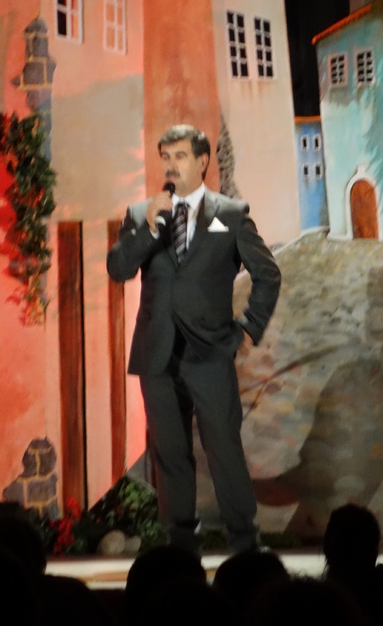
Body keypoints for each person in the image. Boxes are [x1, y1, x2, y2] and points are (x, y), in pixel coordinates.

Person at [107, 123, 281, 555]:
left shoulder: (230, 214)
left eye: (180, 156)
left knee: (223, 447)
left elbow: (267, 274)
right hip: (157, 354)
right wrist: (149, 230)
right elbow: (118, 268)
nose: (171, 166)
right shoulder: (141, 214)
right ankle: (179, 541)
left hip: (210, 352)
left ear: (203, 162)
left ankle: (244, 541)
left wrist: (248, 327)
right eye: (165, 157)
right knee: (169, 453)